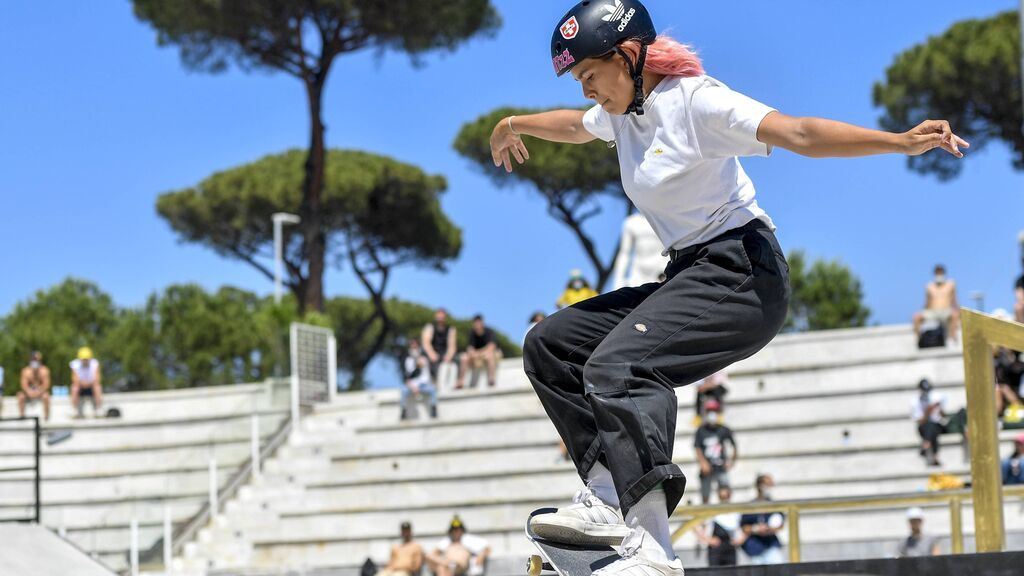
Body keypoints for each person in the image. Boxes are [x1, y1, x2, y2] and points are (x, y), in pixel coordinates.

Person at [500, 1, 966, 574]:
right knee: (551, 343)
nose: (587, 92)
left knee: (619, 367)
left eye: (590, 76)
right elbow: (572, 126)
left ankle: (651, 551)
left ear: (626, 55)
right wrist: (513, 124)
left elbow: (797, 132)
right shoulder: (619, 114)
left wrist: (898, 141)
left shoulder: (696, 101)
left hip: (744, 272)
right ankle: (603, 496)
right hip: (690, 272)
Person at [694, 400, 736, 504]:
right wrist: (703, 463)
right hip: (707, 468)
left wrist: (731, 461)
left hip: (721, 466)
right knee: (705, 496)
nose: (712, 414)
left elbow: (733, 445)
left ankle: (725, 515)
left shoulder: (724, 429)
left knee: (725, 493)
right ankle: (705, 518)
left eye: (714, 411)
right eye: (709, 411)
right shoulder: (701, 430)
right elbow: (697, 447)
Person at [612, 213, 669, 289]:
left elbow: (670, 248)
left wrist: (666, 273)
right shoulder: (631, 222)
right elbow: (625, 253)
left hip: (659, 273)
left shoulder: (665, 220)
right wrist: (619, 279)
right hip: (638, 275)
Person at [739, 475, 785, 565]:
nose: (770, 487)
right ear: (760, 485)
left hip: (771, 544)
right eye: (767, 484)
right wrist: (756, 528)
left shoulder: (775, 505)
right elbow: (744, 527)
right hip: (755, 547)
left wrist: (771, 529)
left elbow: (781, 524)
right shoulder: (750, 506)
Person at [912, 265, 960, 345]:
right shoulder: (929, 286)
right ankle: (919, 340)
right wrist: (923, 310)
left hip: (946, 311)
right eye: (937, 273)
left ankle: (952, 338)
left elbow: (954, 301)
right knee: (916, 316)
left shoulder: (950, 284)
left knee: (955, 314)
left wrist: (958, 310)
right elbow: (927, 302)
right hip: (932, 311)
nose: (939, 275)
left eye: (940, 273)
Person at [694, 485, 740, 567]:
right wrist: (708, 540)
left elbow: (741, 529)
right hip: (715, 549)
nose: (725, 499)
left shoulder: (735, 512)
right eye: (722, 497)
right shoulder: (713, 511)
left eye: (726, 496)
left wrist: (739, 540)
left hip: (730, 547)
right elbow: (695, 525)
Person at [912, 379, 948, 467]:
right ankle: (935, 457)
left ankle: (926, 444)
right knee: (931, 427)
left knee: (933, 427)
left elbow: (943, 416)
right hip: (925, 426)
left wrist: (939, 408)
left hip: (937, 425)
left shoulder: (937, 396)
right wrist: (928, 411)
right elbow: (920, 421)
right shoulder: (915, 401)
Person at [457, 315, 499, 389]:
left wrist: (478, 353)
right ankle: (461, 381)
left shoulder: (489, 332)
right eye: (475, 323)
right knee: (463, 358)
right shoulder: (472, 333)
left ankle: (491, 380)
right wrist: (475, 354)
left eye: (478, 323)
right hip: (477, 357)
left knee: (489, 355)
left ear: (482, 323)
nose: (477, 325)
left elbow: (491, 347)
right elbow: (470, 349)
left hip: (489, 355)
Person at [401, 339, 438, 420]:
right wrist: (413, 387)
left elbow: (429, 373)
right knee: (404, 391)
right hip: (412, 385)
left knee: (433, 390)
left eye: (415, 346)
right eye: (412, 346)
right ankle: (403, 411)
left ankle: (434, 409)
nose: (414, 348)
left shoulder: (424, 358)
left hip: (424, 385)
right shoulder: (408, 360)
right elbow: (408, 376)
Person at [422, 308, 458, 389]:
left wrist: (448, 356)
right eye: (439, 315)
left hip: (444, 354)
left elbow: (452, 346)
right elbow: (426, 343)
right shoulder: (430, 327)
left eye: (442, 315)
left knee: (453, 363)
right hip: (432, 354)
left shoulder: (450, 329)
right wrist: (432, 354)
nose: (440, 317)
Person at [17, 351, 51, 421]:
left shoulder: (45, 370)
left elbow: (46, 385)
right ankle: (22, 417)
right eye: (34, 359)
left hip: (40, 392)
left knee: (46, 396)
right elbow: (24, 385)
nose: (35, 361)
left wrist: (39, 391)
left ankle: (46, 418)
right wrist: (29, 391)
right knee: (20, 396)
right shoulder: (26, 371)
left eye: (37, 360)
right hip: (29, 392)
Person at [70, 347, 102, 418]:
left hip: (91, 386)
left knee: (97, 387)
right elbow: (74, 379)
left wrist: (88, 383)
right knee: (74, 387)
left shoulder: (95, 364)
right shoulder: (75, 364)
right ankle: (75, 410)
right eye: (83, 359)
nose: (85, 361)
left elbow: (97, 378)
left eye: (86, 359)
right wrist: (83, 383)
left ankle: (98, 409)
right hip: (80, 387)